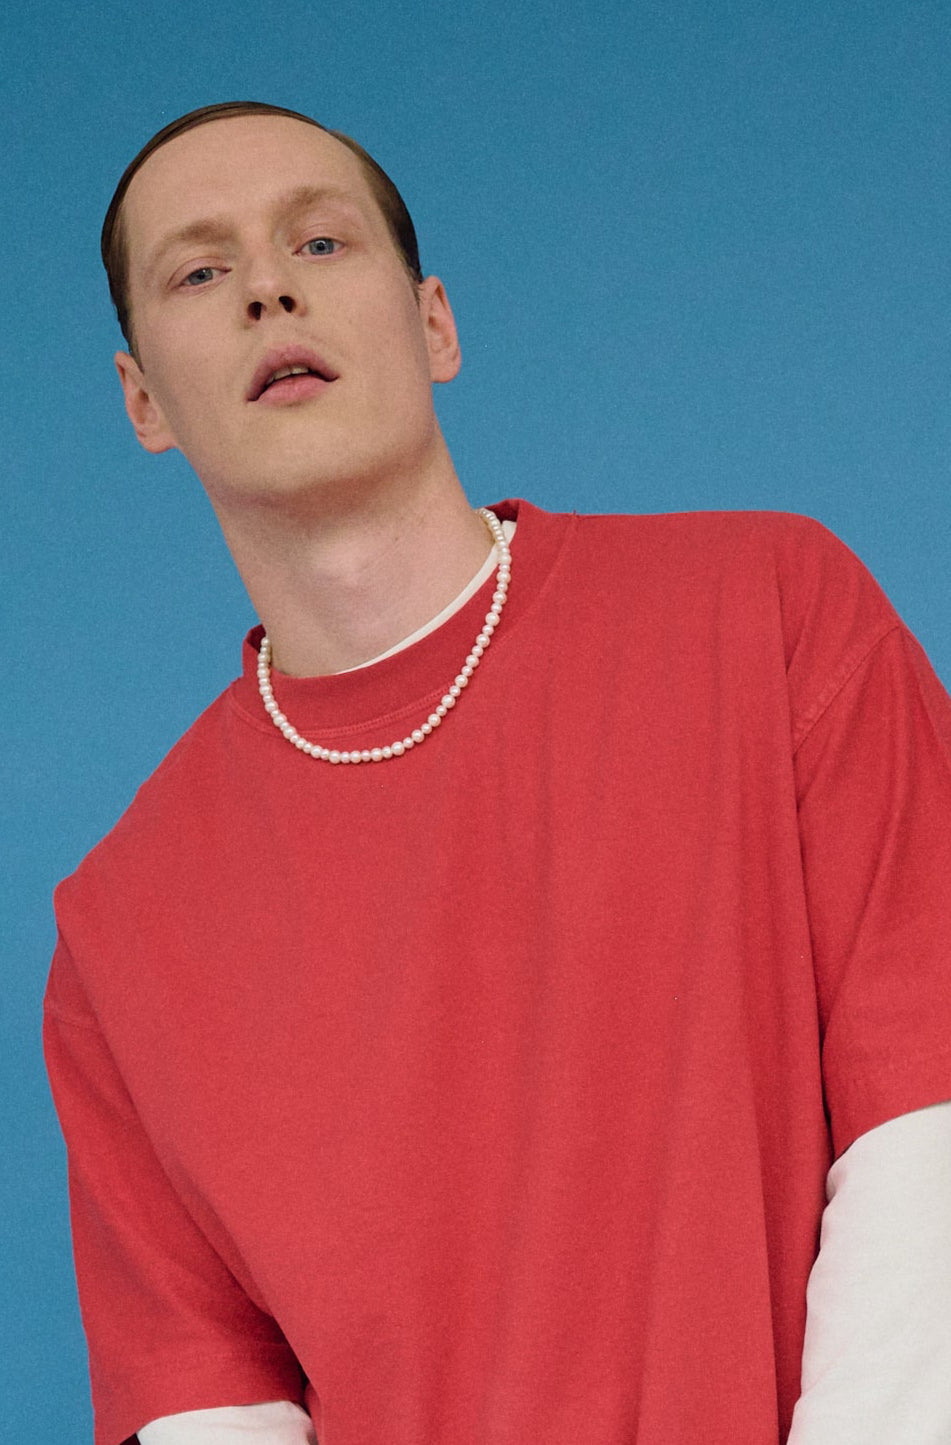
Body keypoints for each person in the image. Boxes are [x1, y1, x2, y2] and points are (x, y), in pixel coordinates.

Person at [44, 100, 951, 1445]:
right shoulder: (119, 933)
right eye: (200, 269)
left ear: (435, 326)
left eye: (320, 241)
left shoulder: (769, 612)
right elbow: (210, 1408)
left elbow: (926, 1129)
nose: (268, 288)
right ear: (142, 402)